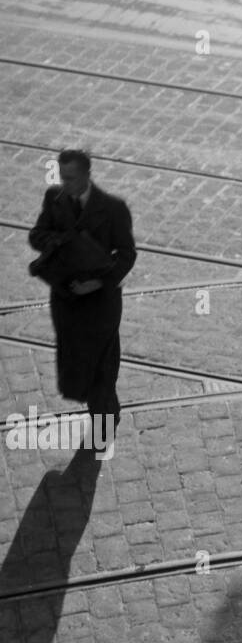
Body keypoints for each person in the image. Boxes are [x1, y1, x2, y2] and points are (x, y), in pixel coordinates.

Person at [28, 148, 136, 438]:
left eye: (72, 178)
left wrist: (99, 283)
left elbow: (126, 255)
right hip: (67, 299)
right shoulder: (55, 199)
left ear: (87, 175)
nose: (66, 184)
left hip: (101, 301)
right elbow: (36, 236)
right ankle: (100, 412)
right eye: (63, 177)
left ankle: (104, 423)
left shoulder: (113, 209)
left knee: (102, 364)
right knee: (78, 361)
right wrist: (62, 241)